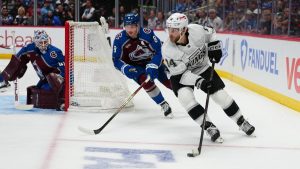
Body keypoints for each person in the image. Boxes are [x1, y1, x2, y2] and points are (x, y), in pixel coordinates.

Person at [162, 13, 255, 142]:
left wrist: (214, 46)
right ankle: (208, 126)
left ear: (184, 29)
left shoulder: (196, 30)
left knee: (220, 96)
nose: (171, 33)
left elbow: (211, 33)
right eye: (169, 29)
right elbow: (183, 75)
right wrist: (201, 83)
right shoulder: (168, 50)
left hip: (202, 68)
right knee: (185, 98)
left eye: (174, 30)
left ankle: (241, 121)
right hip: (180, 76)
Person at [112, 13, 173, 118]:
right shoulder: (119, 39)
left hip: (153, 62)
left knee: (169, 83)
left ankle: (186, 97)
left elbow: (160, 50)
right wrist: (125, 68)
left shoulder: (147, 34)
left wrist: (154, 64)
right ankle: (163, 104)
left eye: (132, 26)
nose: (129, 30)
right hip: (136, 68)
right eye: (127, 26)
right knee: (146, 82)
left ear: (137, 26)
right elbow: (116, 60)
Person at [0, 30, 65, 110]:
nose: (44, 45)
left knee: (48, 87)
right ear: (36, 43)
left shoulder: (55, 52)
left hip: (57, 79)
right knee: (37, 91)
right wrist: (5, 77)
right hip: (45, 79)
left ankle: (63, 100)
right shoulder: (29, 48)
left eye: (45, 42)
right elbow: (17, 59)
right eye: (41, 43)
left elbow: (66, 71)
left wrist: (61, 85)